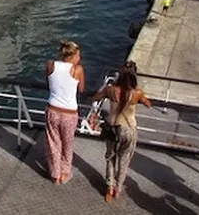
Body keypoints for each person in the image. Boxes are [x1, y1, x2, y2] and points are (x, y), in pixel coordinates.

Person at [93, 70, 152, 203]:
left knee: (110, 158)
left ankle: (109, 187)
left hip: (113, 128)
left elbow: (96, 97)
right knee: (124, 160)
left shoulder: (110, 90)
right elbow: (148, 104)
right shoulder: (137, 93)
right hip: (129, 129)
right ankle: (118, 188)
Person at [44, 40, 85, 185]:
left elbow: (48, 83)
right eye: (78, 55)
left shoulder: (50, 65)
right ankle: (65, 173)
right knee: (68, 144)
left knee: (53, 143)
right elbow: (81, 89)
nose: (79, 58)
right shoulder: (77, 70)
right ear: (72, 56)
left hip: (53, 109)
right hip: (69, 113)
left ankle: (55, 174)